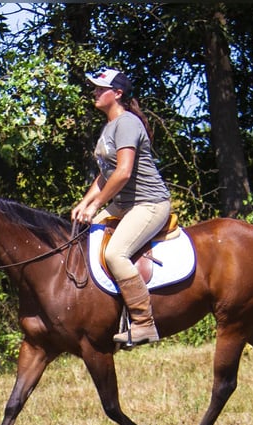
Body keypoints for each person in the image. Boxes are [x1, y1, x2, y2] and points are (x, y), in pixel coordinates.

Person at [71, 68, 171, 345]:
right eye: (94, 88)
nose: (94, 92)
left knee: (115, 254)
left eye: (100, 88)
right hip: (124, 206)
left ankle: (143, 323)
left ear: (117, 94)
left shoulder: (126, 123)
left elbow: (123, 172)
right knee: (82, 237)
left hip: (149, 204)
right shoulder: (110, 126)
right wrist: (84, 203)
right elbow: (105, 174)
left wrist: (97, 205)